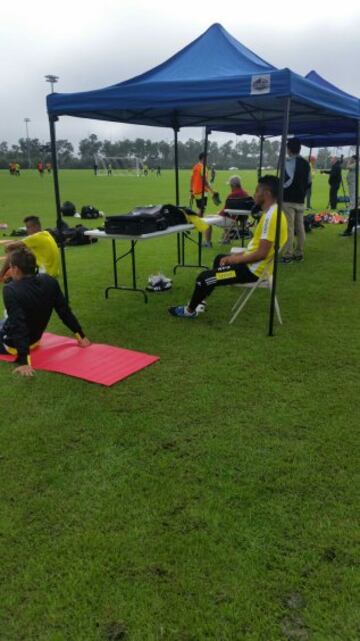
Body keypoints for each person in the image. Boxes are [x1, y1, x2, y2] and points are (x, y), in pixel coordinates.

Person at [169, 175, 287, 319]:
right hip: (255, 266)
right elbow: (257, 249)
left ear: (267, 193)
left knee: (203, 278)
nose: (254, 194)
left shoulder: (272, 216)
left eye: (257, 191)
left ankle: (189, 311)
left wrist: (234, 260)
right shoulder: (272, 212)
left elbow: (262, 254)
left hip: (253, 271)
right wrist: (235, 256)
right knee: (220, 259)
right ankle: (202, 299)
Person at [0, 247, 90, 377]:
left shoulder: (10, 290)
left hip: (12, 346)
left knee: (9, 324)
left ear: (16, 269)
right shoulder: (49, 280)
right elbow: (64, 310)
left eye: (10, 267)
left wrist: (24, 361)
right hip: (35, 340)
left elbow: (18, 326)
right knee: (4, 322)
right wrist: (80, 336)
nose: (9, 270)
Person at [0, 215, 60, 281]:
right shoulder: (46, 234)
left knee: (14, 251)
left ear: (36, 226)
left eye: (28, 228)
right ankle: (11, 276)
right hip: (53, 273)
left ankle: (1, 275)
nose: (27, 231)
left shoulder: (36, 237)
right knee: (23, 251)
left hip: (45, 274)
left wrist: (9, 250)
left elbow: (9, 246)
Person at [281, 138, 311, 264]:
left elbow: (288, 181)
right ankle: (299, 253)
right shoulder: (306, 163)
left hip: (288, 199)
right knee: (300, 228)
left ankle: (288, 255)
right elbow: (309, 182)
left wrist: (281, 187)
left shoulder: (289, 161)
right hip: (300, 200)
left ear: (289, 149)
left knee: (289, 228)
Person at [209, 175, 250, 246]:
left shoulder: (231, 195)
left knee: (208, 220)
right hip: (240, 220)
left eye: (230, 185)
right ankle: (226, 239)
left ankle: (207, 242)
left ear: (232, 185)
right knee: (224, 217)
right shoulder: (245, 194)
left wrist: (218, 213)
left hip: (231, 221)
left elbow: (225, 211)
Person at [190, 152, 214, 247]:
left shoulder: (195, 166)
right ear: (203, 158)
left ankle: (196, 225)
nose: (208, 160)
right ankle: (194, 223)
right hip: (202, 191)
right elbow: (205, 180)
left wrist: (191, 191)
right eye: (207, 158)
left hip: (196, 191)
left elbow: (191, 179)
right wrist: (212, 191)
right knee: (201, 210)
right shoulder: (202, 167)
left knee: (201, 209)